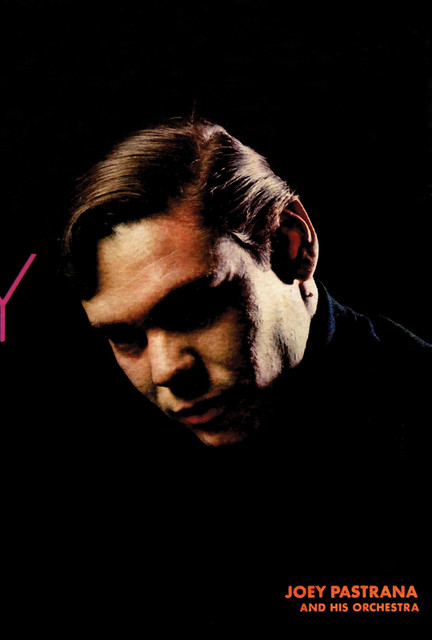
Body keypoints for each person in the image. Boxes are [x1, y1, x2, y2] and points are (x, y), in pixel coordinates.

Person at [60, 118, 429, 630]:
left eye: (193, 309)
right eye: (126, 338)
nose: (166, 371)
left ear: (290, 246)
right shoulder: (109, 475)